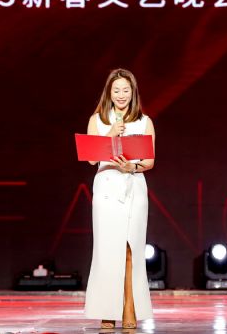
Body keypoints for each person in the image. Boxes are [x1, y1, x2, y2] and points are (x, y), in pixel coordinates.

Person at [84, 68, 155, 330]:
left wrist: (131, 167)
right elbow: (91, 158)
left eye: (126, 90)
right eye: (117, 90)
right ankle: (107, 311)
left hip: (133, 185)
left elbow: (149, 161)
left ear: (133, 93)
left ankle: (129, 307)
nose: (121, 95)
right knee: (106, 249)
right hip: (107, 187)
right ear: (109, 93)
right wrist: (112, 132)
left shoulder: (144, 121)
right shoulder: (97, 120)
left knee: (130, 249)